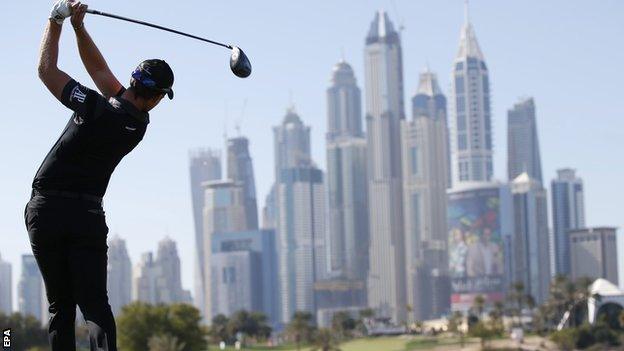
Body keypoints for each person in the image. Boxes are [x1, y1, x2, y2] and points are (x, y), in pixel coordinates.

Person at [25, 1, 174, 350]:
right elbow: (102, 74)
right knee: (94, 306)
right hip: (87, 216)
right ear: (155, 98)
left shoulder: (92, 106)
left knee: (60, 306)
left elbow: (47, 70)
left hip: (46, 210)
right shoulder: (137, 125)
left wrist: (55, 20)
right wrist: (78, 26)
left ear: (134, 81)